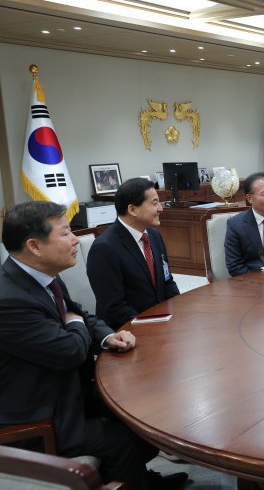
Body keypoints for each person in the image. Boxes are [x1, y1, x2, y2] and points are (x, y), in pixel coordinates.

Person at [0, 201, 187, 489]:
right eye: (65, 233)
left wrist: (107, 336)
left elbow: (82, 316)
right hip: (40, 417)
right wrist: (75, 325)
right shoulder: (9, 300)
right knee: (123, 440)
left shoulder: (40, 275)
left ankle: (142, 480)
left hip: (70, 391)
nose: (76, 239)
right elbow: (70, 351)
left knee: (144, 409)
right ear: (35, 246)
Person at [87, 177, 180, 330]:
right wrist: (152, 324)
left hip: (161, 324)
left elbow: (167, 281)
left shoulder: (154, 236)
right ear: (132, 210)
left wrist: (179, 310)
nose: (161, 209)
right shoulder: (104, 248)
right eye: (154, 203)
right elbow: (114, 308)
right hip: (128, 332)